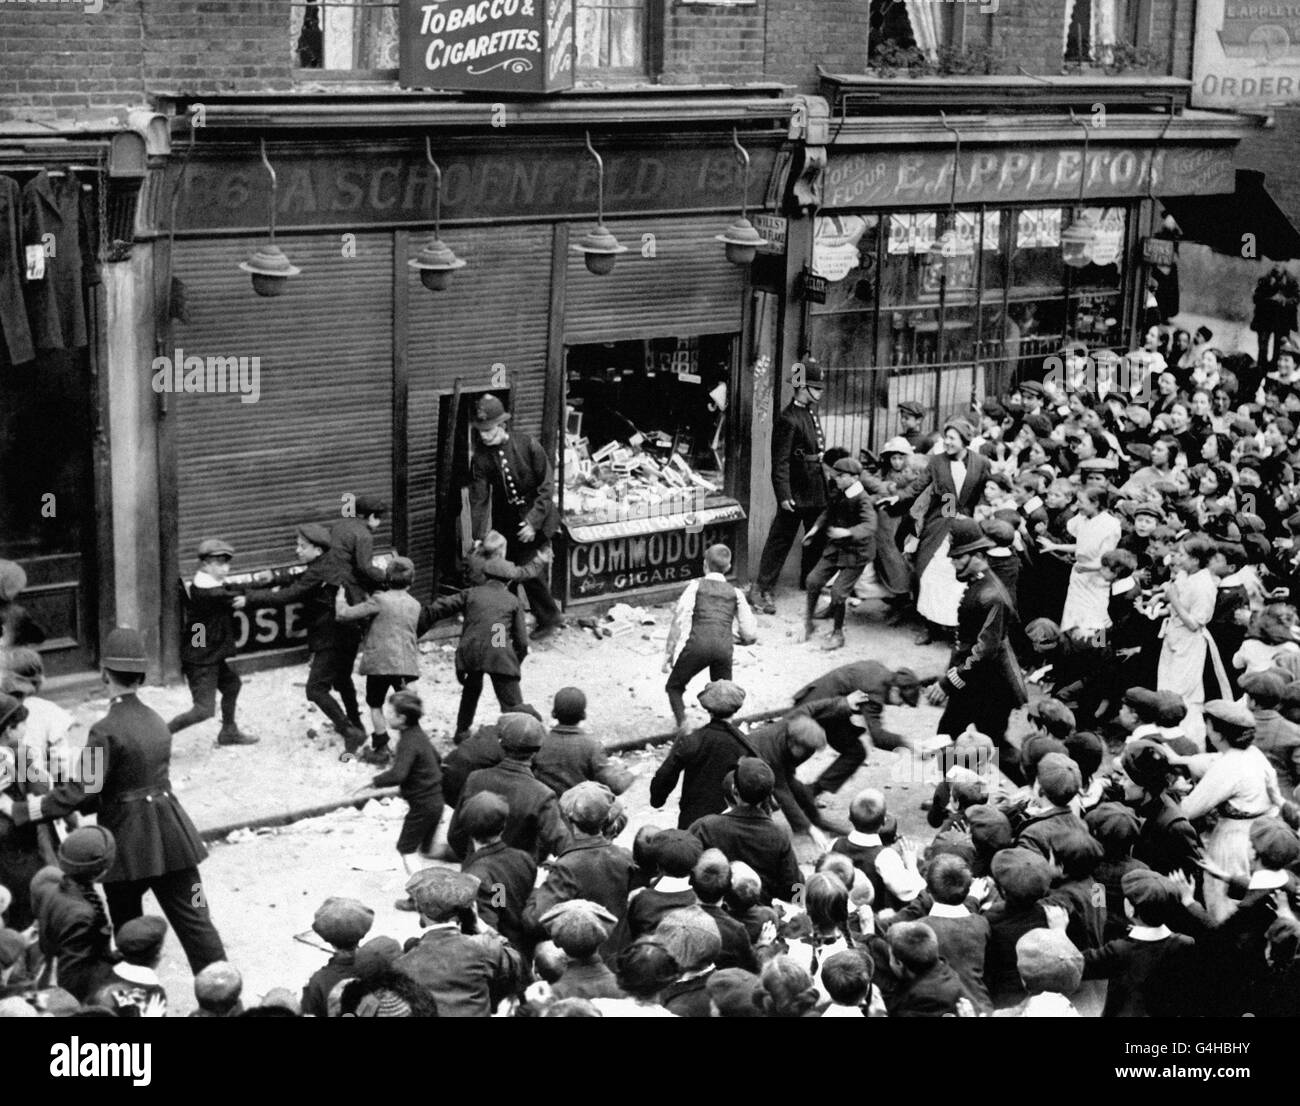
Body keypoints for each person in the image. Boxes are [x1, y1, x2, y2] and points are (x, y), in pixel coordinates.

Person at [0, 628, 226, 976]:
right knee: (197, 916)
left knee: (126, 925)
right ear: (141, 675)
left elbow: (79, 792)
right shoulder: (156, 721)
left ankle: (132, 994)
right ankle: (225, 995)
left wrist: (19, 809)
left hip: (127, 845)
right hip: (176, 840)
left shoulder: (105, 729)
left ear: (105, 674)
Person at [243, 524, 367, 755]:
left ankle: (350, 732)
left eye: (302, 546)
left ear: (317, 550)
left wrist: (250, 599)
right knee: (342, 680)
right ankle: (356, 724)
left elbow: (287, 595)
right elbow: (299, 577)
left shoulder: (318, 571)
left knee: (315, 690)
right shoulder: (330, 562)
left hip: (332, 636)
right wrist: (271, 578)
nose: (297, 551)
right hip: (349, 632)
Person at [925, 519, 1027, 765]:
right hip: (978, 682)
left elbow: (985, 649)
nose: (953, 562)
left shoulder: (992, 595)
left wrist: (950, 681)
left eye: (958, 557)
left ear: (977, 555)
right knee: (960, 740)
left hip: (989, 686)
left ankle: (1032, 791)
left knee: (980, 744)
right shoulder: (979, 584)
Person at [1174, 698, 1285, 923]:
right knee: (1250, 895)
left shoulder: (1228, 767)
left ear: (1218, 734)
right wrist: (1183, 759)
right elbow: (1214, 759)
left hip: (1232, 840)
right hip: (1259, 834)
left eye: (1209, 726)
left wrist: (1176, 790)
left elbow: (1188, 810)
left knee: (1222, 900)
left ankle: (1222, 948)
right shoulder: (1252, 753)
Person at [468, 394, 564, 640]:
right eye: (480, 431)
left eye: (489, 430)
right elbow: (479, 498)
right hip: (507, 521)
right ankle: (510, 620)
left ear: (502, 425)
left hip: (538, 517)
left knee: (529, 571)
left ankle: (549, 618)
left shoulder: (528, 445)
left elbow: (546, 485)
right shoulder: (480, 458)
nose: (484, 436)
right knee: (504, 572)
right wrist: (479, 536)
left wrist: (533, 521)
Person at [898, 418, 992, 645]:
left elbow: (983, 490)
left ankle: (956, 629)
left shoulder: (980, 462)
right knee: (928, 572)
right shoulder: (937, 462)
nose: (946, 442)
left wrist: (978, 512)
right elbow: (918, 486)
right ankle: (929, 626)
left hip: (966, 526)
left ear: (964, 440)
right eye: (945, 437)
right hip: (939, 524)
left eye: (952, 438)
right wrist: (897, 497)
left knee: (956, 578)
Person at [422, 543, 530, 740]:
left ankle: (462, 731)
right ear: (508, 582)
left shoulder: (471, 593)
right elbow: (522, 641)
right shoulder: (513, 601)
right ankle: (518, 737)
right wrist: (516, 661)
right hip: (498, 648)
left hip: (471, 649)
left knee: (471, 690)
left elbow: (441, 607)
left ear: (486, 576)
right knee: (512, 703)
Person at [752, 357, 828, 613]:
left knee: (815, 538)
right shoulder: (788, 418)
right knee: (780, 541)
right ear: (801, 387)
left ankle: (811, 585)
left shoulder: (809, 413)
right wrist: (783, 494)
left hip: (815, 489)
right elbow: (780, 462)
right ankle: (762, 589)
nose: (819, 392)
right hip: (795, 492)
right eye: (815, 387)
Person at [395, 867, 522, 1017]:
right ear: (467, 910)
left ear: (419, 909)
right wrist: (481, 927)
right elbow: (515, 962)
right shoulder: (483, 948)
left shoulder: (402, 965)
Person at [167, 538, 258, 746]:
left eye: (227, 563)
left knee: (232, 685)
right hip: (203, 660)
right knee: (203, 710)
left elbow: (198, 628)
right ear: (205, 564)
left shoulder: (208, 585)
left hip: (207, 654)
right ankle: (160, 734)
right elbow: (238, 592)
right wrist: (269, 581)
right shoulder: (210, 592)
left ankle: (229, 731)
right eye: (219, 563)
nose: (225, 568)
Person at [446, 712, 569, 864]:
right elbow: (563, 845)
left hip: (477, 869)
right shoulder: (542, 795)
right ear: (537, 751)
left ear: (501, 743)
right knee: (499, 889)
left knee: (495, 889)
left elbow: (455, 835)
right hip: (515, 875)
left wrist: (473, 857)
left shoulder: (475, 779)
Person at [334, 555, 422, 764]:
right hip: (405, 664)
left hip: (379, 664)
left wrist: (340, 598)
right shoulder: (415, 605)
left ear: (387, 578)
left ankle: (382, 746)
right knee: (407, 707)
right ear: (412, 581)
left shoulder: (379, 600)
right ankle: (412, 747)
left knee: (375, 704)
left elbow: (344, 614)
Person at [662, 544, 758, 734]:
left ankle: (685, 728)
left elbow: (678, 621)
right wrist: (735, 639)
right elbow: (750, 633)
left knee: (674, 687)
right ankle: (723, 734)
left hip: (698, 645)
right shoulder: (736, 592)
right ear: (728, 567)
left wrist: (669, 653)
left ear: (704, 565)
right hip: (723, 648)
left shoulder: (695, 586)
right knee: (723, 697)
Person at [523, 781, 635, 942]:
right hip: (619, 951)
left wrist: (537, 887)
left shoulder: (566, 868)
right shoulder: (625, 857)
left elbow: (534, 922)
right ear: (607, 818)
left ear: (569, 819)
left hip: (581, 952)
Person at [688, 757, 802, 905]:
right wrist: (799, 908)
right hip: (760, 913)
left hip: (714, 911)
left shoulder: (706, 826)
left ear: (735, 790)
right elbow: (793, 885)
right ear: (769, 795)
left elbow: (682, 864)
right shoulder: (779, 834)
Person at [365, 690, 443, 901]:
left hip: (422, 805)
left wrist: (374, 782)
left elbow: (399, 773)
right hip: (436, 800)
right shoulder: (419, 735)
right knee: (424, 850)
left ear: (402, 718)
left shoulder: (407, 741)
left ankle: (421, 897)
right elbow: (437, 759)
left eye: (391, 712)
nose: (387, 715)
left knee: (406, 849)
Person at [649, 680, 753, 829]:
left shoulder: (694, 740)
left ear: (708, 709)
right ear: (735, 710)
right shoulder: (743, 745)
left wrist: (657, 798)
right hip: (728, 823)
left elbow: (666, 773)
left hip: (693, 820)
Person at [31, 828, 117, 1001]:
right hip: (79, 990)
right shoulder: (82, 915)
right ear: (103, 871)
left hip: (50, 954)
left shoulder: (46, 877)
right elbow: (72, 978)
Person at [801, 457, 877, 651]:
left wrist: (848, 532)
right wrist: (815, 529)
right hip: (836, 548)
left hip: (856, 552)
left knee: (838, 593)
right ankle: (809, 623)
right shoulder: (838, 492)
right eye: (835, 475)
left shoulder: (862, 498)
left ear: (854, 477)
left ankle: (837, 633)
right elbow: (827, 512)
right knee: (813, 580)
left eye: (840, 476)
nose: (836, 479)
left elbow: (870, 525)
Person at [1156, 536, 1221, 748]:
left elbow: (1195, 623)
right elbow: (1175, 597)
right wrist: (1161, 597)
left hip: (1189, 644)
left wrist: (1172, 598)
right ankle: (1164, 738)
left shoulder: (1205, 585)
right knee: (1166, 689)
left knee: (1184, 696)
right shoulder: (1185, 575)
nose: (1177, 558)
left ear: (1195, 560)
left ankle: (1190, 745)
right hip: (1173, 639)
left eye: (1182, 555)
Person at [459, 791, 537, 949]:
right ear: (503, 826)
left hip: (504, 954)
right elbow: (500, 898)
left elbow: (489, 927)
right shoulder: (524, 858)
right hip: (528, 946)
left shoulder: (476, 876)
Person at [532, 687, 633, 798]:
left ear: (554, 713)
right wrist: (633, 773)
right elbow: (615, 786)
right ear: (583, 714)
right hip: (578, 810)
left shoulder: (540, 742)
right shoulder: (591, 746)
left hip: (546, 809)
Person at [1046, 486, 1120, 635]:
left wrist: (1086, 568)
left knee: (1097, 621)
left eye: (1081, 501)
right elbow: (1082, 546)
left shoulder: (1111, 525)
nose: (1077, 505)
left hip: (1098, 580)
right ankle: (1071, 652)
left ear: (1096, 503)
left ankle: (1098, 652)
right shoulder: (1082, 519)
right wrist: (1054, 546)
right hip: (1078, 579)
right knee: (1072, 618)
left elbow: (1106, 559)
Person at [1252, 262, 1300, 371]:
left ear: (1285, 266)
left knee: (1280, 346)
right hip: (1265, 318)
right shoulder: (1265, 279)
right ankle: (1261, 368)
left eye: (1279, 265)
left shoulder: (1291, 280)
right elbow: (1256, 297)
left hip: (1282, 319)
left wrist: (1284, 301)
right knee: (1262, 346)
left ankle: (1276, 368)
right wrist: (1269, 299)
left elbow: (1297, 298)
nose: (1276, 267)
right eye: (1275, 264)